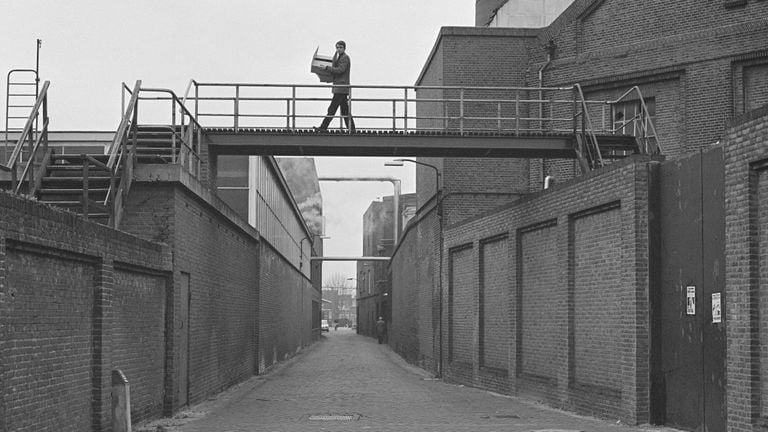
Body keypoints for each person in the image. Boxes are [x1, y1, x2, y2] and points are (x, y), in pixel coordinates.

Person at [315, 40, 355, 133]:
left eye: (340, 47)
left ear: (344, 48)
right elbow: (337, 70)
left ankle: (323, 127)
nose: (338, 49)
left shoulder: (345, 58)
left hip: (341, 87)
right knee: (345, 110)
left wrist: (327, 68)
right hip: (340, 87)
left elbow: (340, 70)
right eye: (337, 47)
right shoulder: (338, 57)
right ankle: (352, 129)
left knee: (332, 109)